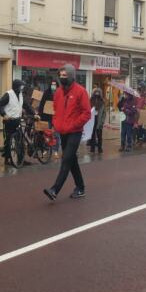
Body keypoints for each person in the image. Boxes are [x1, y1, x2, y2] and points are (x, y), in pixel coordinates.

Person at [43, 64, 91, 201]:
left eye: (64, 75)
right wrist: (56, 123)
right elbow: (56, 109)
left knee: (66, 159)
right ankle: (80, 187)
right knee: (71, 160)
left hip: (75, 132)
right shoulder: (58, 92)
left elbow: (86, 113)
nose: (62, 78)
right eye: (60, 75)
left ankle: (54, 189)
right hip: (62, 131)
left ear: (71, 76)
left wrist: (74, 125)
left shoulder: (80, 91)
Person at [0, 79, 33, 166]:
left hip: (17, 120)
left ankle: (21, 159)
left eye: (22, 87)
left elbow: (26, 106)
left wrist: (34, 113)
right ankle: (7, 159)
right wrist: (4, 114)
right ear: (16, 86)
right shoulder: (8, 94)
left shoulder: (21, 95)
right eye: (20, 86)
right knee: (8, 141)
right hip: (9, 121)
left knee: (20, 141)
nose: (22, 88)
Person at [38, 79, 61, 157]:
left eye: (55, 85)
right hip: (47, 117)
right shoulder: (47, 93)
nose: (53, 86)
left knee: (56, 134)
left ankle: (55, 151)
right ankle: (46, 149)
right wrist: (39, 114)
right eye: (52, 84)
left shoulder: (60, 93)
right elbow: (42, 104)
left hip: (56, 118)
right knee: (47, 133)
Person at [88, 88, 106, 153]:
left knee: (99, 135)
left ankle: (99, 148)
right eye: (96, 92)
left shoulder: (102, 101)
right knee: (92, 135)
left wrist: (102, 121)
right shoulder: (90, 100)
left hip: (99, 120)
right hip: (92, 119)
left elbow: (104, 113)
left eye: (98, 92)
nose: (97, 93)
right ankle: (92, 148)